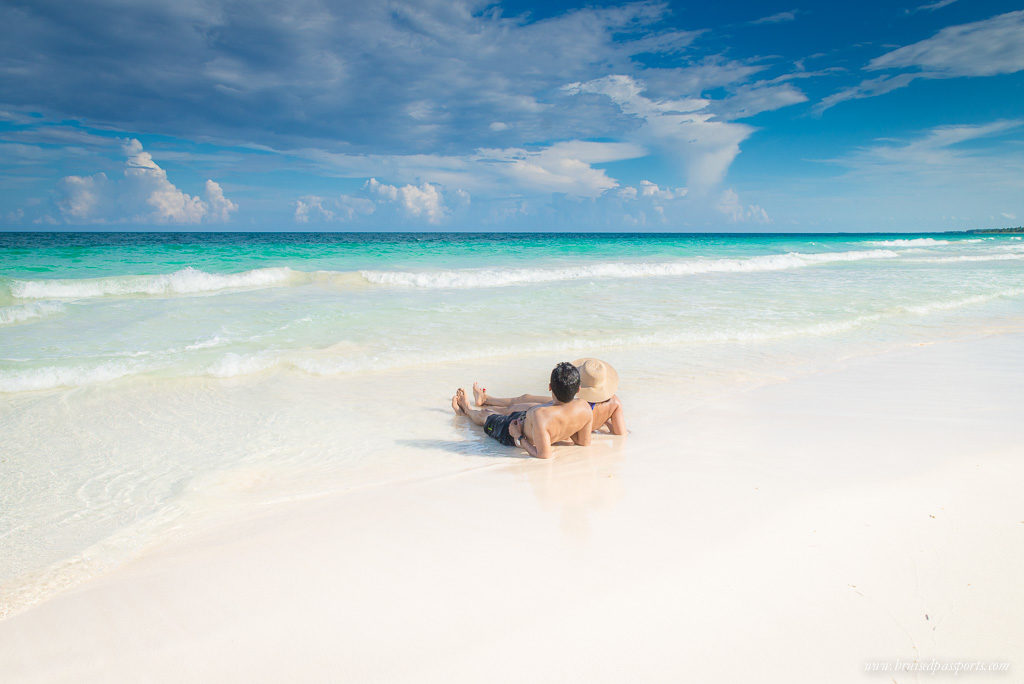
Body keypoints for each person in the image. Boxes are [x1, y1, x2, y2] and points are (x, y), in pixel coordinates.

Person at [451, 362, 593, 459]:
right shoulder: (585, 407)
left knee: (486, 415)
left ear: (550, 387)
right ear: (579, 389)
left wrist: (518, 436)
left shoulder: (539, 415)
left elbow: (544, 455)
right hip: (531, 421)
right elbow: (583, 442)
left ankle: (466, 411)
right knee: (514, 408)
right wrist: (562, 430)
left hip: (510, 431)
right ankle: (482, 401)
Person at [472, 358, 626, 435]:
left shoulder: (581, 405)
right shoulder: (614, 403)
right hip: (573, 408)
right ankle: (486, 399)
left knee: (517, 406)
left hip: (567, 409)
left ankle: (484, 405)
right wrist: (604, 421)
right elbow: (620, 433)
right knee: (526, 397)